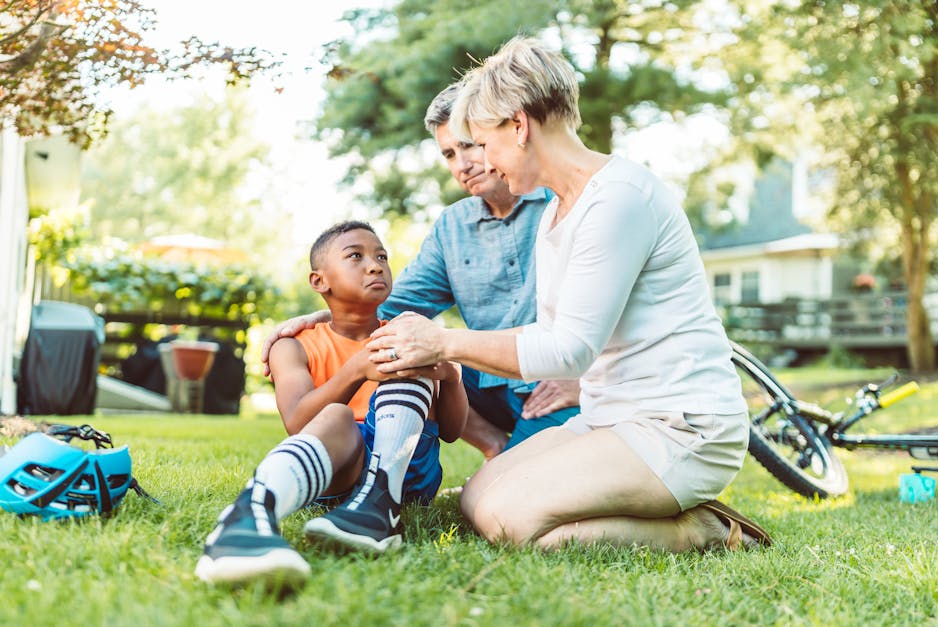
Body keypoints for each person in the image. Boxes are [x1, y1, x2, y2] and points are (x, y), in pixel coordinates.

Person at [366, 38, 773, 552]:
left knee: (511, 522)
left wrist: (444, 343)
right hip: (610, 417)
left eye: (483, 142)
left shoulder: (618, 200)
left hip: (681, 426)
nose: (482, 160)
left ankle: (702, 530)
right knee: (476, 498)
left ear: (519, 126)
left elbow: (568, 350)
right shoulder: (561, 209)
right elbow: (545, 331)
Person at [261, 83, 579, 460]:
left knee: (515, 487)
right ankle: (492, 446)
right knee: (410, 349)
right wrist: (324, 315)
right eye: (449, 153)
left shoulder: (562, 204)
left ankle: (511, 458)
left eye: (470, 145)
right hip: (486, 381)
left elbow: (616, 310)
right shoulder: (452, 225)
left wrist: (587, 381)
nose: (463, 164)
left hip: (556, 381)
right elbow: (392, 306)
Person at [196, 221, 468, 586]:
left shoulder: (406, 332)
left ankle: (381, 505)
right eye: (355, 256)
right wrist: (356, 370)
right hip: (337, 465)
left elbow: (451, 432)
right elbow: (296, 422)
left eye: (381, 257)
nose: (375, 265)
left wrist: (451, 377)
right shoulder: (292, 344)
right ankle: (249, 515)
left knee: (404, 351)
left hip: (408, 473)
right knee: (337, 415)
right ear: (319, 281)